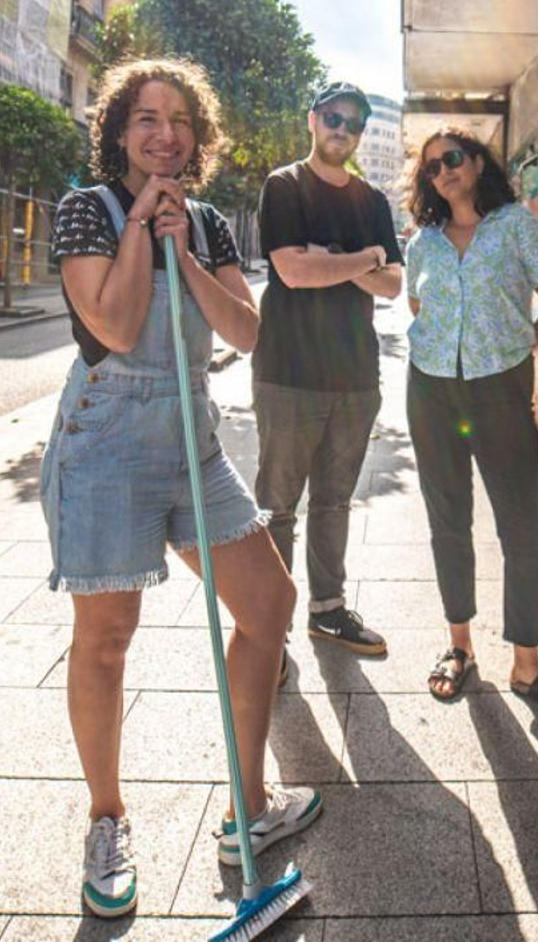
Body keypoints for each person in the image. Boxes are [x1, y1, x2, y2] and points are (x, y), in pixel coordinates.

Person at [42, 59, 320, 918]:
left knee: (269, 603)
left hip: (193, 444)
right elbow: (118, 326)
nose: (165, 134)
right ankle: (107, 821)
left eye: (179, 121)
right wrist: (137, 229)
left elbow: (246, 328)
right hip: (108, 441)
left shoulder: (205, 222)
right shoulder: (85, 210)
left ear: (196, 137)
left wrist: (182, 249)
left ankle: (248, 808)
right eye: (146, 119)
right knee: (107, 634)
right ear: (120, 133)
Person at [404, 128, 538, 719]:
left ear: (478, 162)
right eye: (432, 168)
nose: (443, 172)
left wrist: (512, 350)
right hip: (431, 389)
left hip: (500, 390)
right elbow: (420, 309)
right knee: (447, 518)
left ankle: (527, 664)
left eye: (452, 159)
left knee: (524, 523)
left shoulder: (517, 226)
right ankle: (460, 647)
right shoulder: (423, 243)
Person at [252, 82, 403, 659]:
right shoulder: (284, 186)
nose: (344, 129)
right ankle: (271, 632)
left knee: (335, 502)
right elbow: (292, 272)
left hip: (356, 378)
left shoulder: (372, 202)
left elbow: (391, 285)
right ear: (313, 120)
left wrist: (332, 259)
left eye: (355, 122)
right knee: (278, 506)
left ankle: (328, 611)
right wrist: (363, 259)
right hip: (287, 372)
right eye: (334, 118)